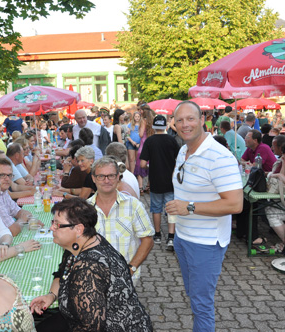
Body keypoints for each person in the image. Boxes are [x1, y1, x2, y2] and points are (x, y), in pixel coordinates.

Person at [165, 101, 243, 331]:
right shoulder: (183, 149)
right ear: (174, 124)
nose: (184, 124)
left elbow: (235, 204)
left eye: (190, 119)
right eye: (179, 120)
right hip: (183, 237)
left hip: (206, 243)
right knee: (194, 295)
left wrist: (188, 207)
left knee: (202, 305)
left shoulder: (220, 156)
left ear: (203, 120)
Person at [30, 198, 153, 332]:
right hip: (80, 318)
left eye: (58, 225)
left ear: (78, 229)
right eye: (53, 222)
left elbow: (91, 327)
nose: (51, 227)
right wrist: (51, 295)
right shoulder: (82, 243)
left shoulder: (87, 269)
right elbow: (62, 274)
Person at [87, 157, 155, 283]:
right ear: (93, 178)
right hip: (94, 280)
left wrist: (131, 268)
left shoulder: (133, 205)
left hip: (125, 281)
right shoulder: (84, 209)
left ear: (118, 177)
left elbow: (147, 240)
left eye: (111, 176)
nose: (106, 180)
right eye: (101, 176)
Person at [140, 115, 180, 249]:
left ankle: (157, 235)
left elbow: (142, 164)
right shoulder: (172, 140)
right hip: (170, 181)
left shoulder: (149, 141)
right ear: (166, 126)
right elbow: (179, 160)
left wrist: (150, 166)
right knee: (171, 209)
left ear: (153, 126)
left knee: (156, 209)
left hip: (155, 180)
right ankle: (171, 237)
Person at [0, 158, 33, 236]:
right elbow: (12, 230)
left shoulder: (3, 191)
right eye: (2, 175)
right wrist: (23, 219)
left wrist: (26, 218)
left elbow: (18, 211)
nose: (7, 179)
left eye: (9, 175)